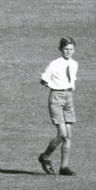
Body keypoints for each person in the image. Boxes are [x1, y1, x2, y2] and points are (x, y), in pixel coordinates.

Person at [37, 37, 78, 176]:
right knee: (62, 134)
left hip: (68, 97)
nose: (68, 52)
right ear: (61, 49)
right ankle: (45, 156)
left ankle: (64, 167)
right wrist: (55, 87)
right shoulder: (54, 64)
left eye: (71, 49)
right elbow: (44, 79)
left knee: (68, 136)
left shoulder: (74, 64)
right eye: (66, 49)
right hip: (57, 97)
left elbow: (72, 79)